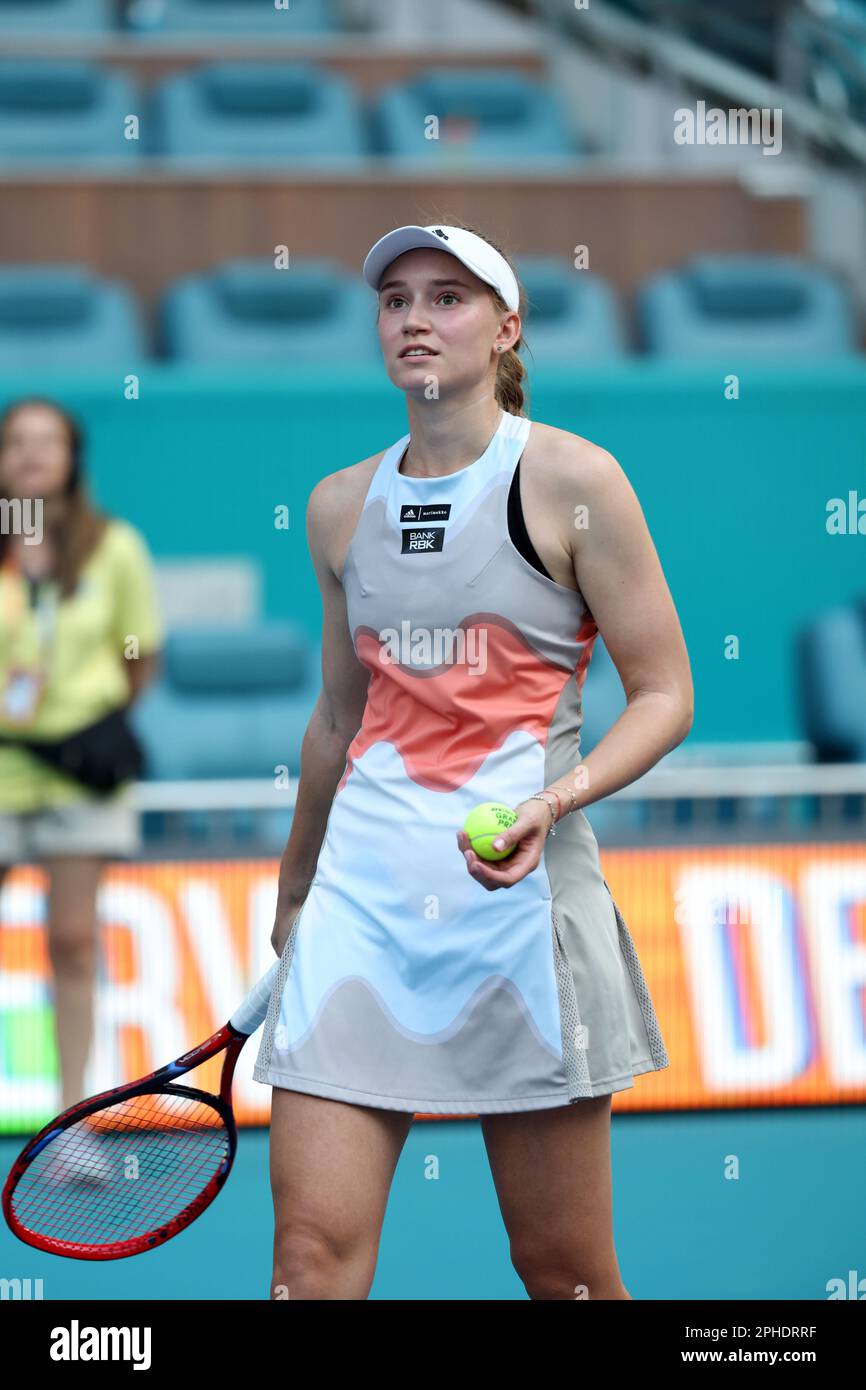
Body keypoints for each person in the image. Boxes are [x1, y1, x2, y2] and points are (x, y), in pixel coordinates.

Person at [254, 222, 693, 1300]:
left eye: (446, 298)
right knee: (308, 1266)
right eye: (396, 298)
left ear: (504, 330)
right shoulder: (337, 504)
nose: (414, 317)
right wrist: (295, 891)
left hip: (521, 911)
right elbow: (335, 720)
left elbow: (666, 695)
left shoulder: (572, 479)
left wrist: (553, 801)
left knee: (562, 1272)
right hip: (360, 907)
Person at [0, 397, 163, 1127]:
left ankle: (71, 1122)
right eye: (16, 442)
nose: (31, 454)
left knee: (71, 939)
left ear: (73, 459)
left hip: (78, 775)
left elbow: (141, 656)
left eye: (48, 441)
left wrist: (84, 730)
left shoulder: (114, 546)